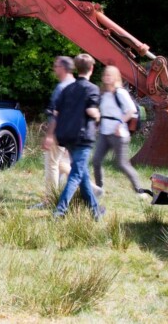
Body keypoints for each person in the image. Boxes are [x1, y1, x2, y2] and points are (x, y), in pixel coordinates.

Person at [43, 53, 104, 220]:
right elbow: (90, 110)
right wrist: (98, 115)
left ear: (76, 68)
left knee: (81, 173)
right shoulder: (92, 88)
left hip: (67, 137)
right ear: (91, 68)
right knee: (76, 175)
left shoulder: (68, 88)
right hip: (83, 138)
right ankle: (60, 210)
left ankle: (95, 210)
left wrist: (50, 135)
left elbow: (56, 113)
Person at [92, 65, 151, 199]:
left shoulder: (120, 93)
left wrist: (119, 124)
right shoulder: (104, 94)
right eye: (105, 75)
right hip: (104, 133)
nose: (107, 78)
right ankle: (99, 189)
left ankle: (139, 190)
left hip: (119, 134)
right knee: (96, 161)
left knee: (122, 164)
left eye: (110, 75)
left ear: (116, 77)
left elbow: (131, 110)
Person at [33, 56, 74, 208]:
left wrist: (50, 135)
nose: (54, 69)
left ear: (63, 68)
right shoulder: (75, 85)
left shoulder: (62, 87)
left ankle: (49, 200)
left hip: (59, 131)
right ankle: (90, 188)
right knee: (61, 163)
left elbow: (57, 114)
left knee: (51, 163)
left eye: (56, 66)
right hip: (71, 132)